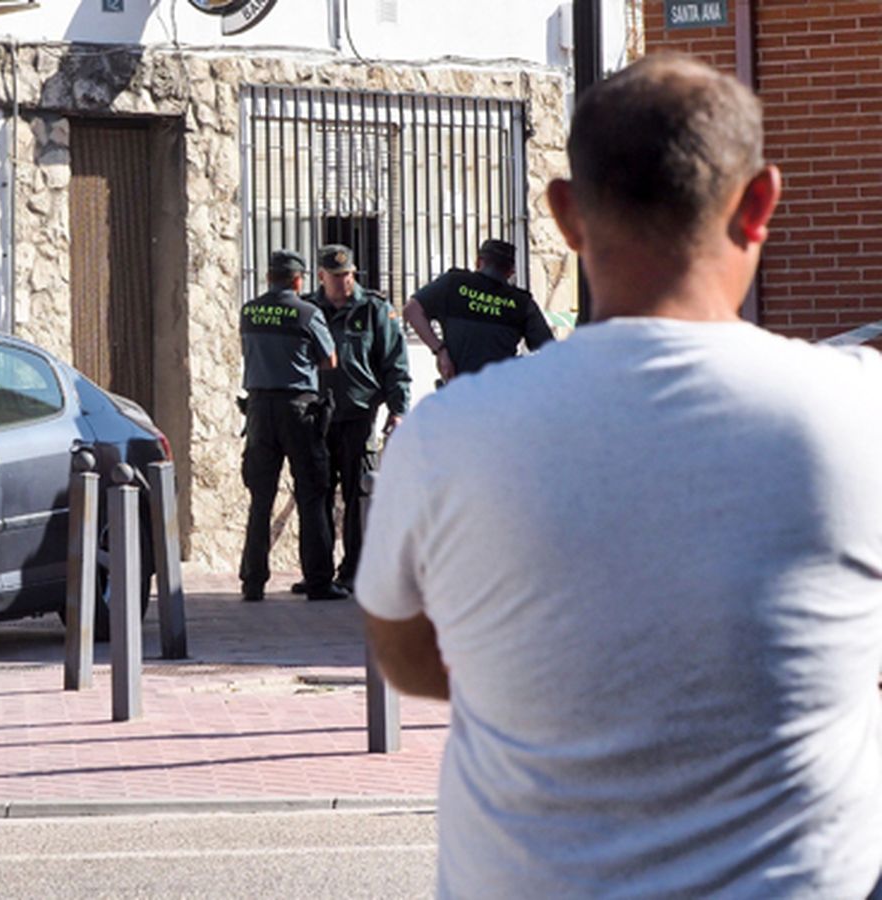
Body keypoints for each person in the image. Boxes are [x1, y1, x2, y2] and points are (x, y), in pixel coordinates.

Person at [355, 54, 882, 896]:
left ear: (566, 212)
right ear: (760, 206)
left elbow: (409, 660)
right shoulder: (862, 414)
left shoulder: (444, 437)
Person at [288, 245, 411, 596]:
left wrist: (398, 410)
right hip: (317, 416)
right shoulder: (309, 309)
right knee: (316, 496)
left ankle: (355, 571)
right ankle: (319, 574)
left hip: (359, 414)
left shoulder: (373, 309)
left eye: (348, 275)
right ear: (321, 276)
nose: (344, 282)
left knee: (359, 496)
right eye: (336, 276)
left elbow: (394, 364)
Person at [238, 248, 348, 602]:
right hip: (298, 411)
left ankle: (253, 581)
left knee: (260, 499)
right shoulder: (307, 312)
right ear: (299, 280)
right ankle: (317, 581)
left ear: (269, 277)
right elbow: (329, 359)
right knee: (312, 496)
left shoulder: (250, 311)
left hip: (258, 410)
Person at [404, 238, 554, 381]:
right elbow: (549, 350)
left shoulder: (453, 284)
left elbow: (411, 310)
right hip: (501, 393)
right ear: (510, 272)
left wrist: (440, 350)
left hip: (458, 390)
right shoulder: (522, 303)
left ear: (478, 262)